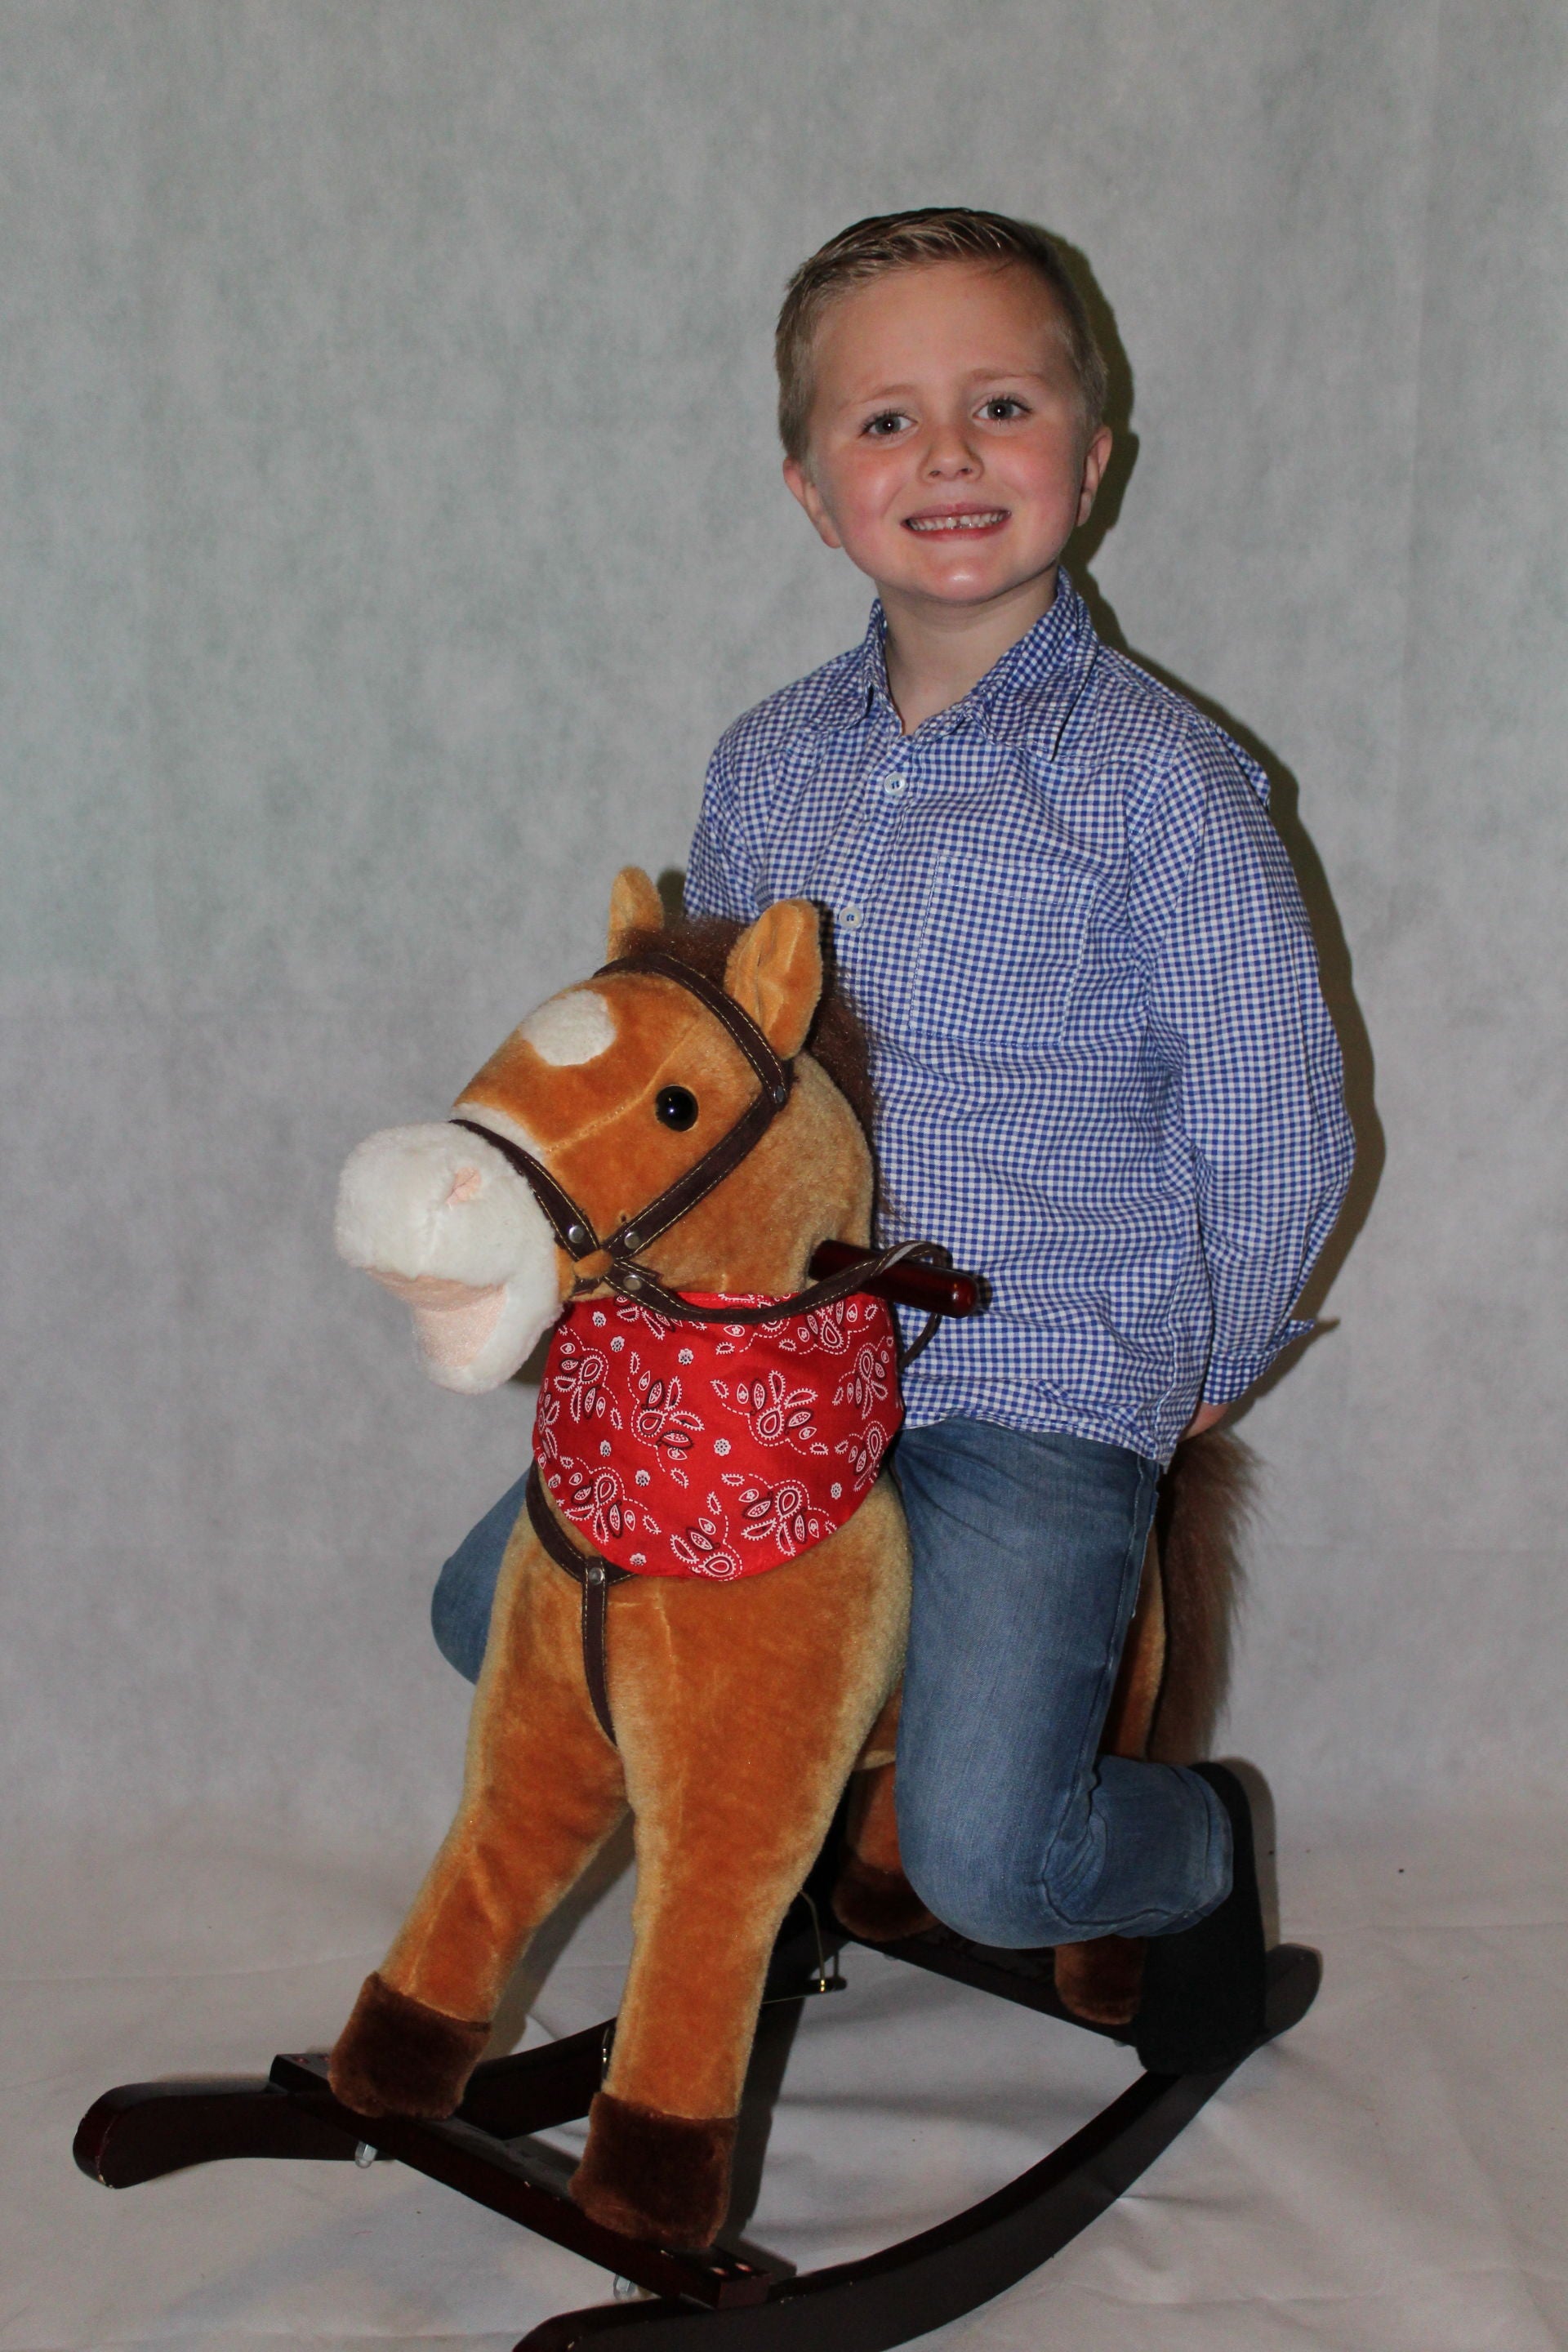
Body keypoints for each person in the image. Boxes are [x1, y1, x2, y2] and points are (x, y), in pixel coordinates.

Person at [434, 209, 1353, 2072]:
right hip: (780, 1356)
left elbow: (1278, 1110)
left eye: (1000, 405)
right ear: (810, 488)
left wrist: (1213, 1352)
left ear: (1091, 455)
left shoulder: (1165, 784)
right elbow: (714, 1071)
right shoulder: (769, 762)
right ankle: (787, 1796)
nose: (946, 453)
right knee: (495, 1614)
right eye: (884, 420)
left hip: (1040, 1371)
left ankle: (1188, 1844)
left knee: (996, 1858)